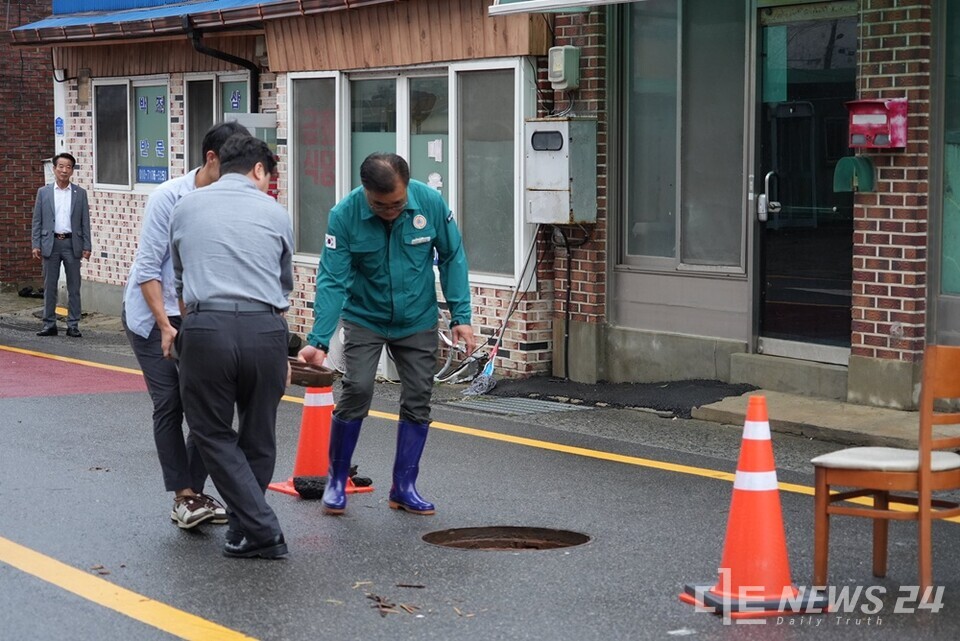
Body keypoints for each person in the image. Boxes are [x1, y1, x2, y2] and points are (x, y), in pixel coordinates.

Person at [298, 152, 475, 517]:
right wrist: (318, 340)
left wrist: (462, 315)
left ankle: (404, 487)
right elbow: (332, 279)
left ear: (407, 188)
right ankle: (335, 479)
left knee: (418, 398)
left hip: (417, 318)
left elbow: (453, 256)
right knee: (358, 389)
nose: (390, 211)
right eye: (380, 205)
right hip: (365, 316)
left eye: (397, 203)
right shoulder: (344, 215)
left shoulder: (430, 202)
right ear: (365, 192)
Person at [170, 134, 293, 559]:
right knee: (259, 434)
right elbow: (283, 282)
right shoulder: (277, 213)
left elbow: (181, 279)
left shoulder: (186, 206)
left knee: (212, 433)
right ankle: (244, 530)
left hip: (207, 327)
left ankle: (262, 529)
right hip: (266, 329)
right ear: (259, 169)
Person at [122, 121, 248, 530]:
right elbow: (147, 268)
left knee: (210, 407)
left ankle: (192, 493)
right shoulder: (169, 197)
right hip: (151, 314)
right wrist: (164, 325)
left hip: (200, 317)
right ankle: (183, 495)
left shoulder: (232, 200)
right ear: (211, 159)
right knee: (171, 402)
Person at [31, 152, 91, 337]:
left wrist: (87, 246)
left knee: (74, 286)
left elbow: (85, 222)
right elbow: (37, 220)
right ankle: (49, 323)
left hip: (73, 243)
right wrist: (36, 244)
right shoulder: (44, 192)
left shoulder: (80, 193)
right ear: (54, 168)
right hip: (51, 243)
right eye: (61, 166)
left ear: (72, 170)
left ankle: (73, 324)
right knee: (50, 286)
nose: (64, 170)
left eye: (68, 167)